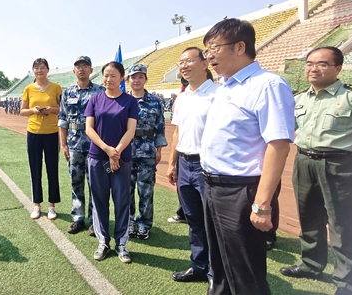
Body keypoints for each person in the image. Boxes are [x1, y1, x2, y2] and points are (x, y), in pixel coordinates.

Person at [200, 18, 295, 295]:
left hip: (240, 191)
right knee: (219, 267)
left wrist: (262, 204)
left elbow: (278, 146)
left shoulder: (267, 85)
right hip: (213, 186)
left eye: (214, 48)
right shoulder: (225, 87)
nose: (209, 56)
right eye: (207, 50)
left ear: (240, 46)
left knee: (245, 275)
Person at [280, 46, 352, 295]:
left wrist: (346, 154)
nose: (313, 68)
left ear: (338, 68)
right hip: (304, 162)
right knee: (309, 217)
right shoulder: (300, 99)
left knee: (345, 224)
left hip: (341, 165)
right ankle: (311, 263)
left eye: (321, 64)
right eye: (309, 63)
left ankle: (350, 282)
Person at [166, 47, 217, 283]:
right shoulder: (183, 98)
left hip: (208, 166)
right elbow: (178, 132)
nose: (184, 66)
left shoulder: (218, 95)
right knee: (194, 220)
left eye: (189, 61)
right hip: (185, 165)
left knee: (213, 222)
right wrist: (172, 163)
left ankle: (216, 274)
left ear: (205, 63)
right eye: (180, 62)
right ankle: (198, 266)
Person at [85, 61, 138, 263]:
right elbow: (89, 129)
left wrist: (116, 153)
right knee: (99, 201)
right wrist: (107, 150)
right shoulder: (95, 100)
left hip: (121, 159)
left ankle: (122, 244)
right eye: (105, 75)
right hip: (97, 158)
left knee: (122, 200)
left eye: (113, 75)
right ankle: (103, 242)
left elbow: (130, 130)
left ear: (122, 78)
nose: (108, 79)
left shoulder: (130, 101)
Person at [57, 56, 104, 235]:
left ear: (91, 70)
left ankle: (94, 220)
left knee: (95, 183)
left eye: (85, 66)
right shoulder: (68, 93)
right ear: (74, 71)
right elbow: (62, 120)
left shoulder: (100, 92)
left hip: (95, 145)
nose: (82, 69)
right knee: (75, 182)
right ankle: (78, 218)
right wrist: (63, 145)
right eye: (78, 66)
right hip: (74, 144)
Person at [126, 64, 167, 240]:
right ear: (128, 80)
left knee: (146, 191)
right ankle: (128, 221)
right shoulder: (122, 101)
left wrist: (158, 150)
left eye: (140, 77)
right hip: (125, 153)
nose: (137, 80)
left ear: (145, 79)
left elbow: (160, 128)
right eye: (133, 77)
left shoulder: (156, 102)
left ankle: (143, 224)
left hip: (147, 153)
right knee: (125, 191)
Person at [21, 58, 62, 220]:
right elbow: (22, 111)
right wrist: (33, 110)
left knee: (52, 169)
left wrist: (52, 109)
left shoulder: (56, 88)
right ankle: (37, 205)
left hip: (51, 133)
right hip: (33, 133)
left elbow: (63, 109)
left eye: (43, 68)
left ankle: (52, 206)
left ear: (48, 70)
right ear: (33, 71)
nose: (40, 71)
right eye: (37, 68)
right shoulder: (29, 89)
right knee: (35, 169)